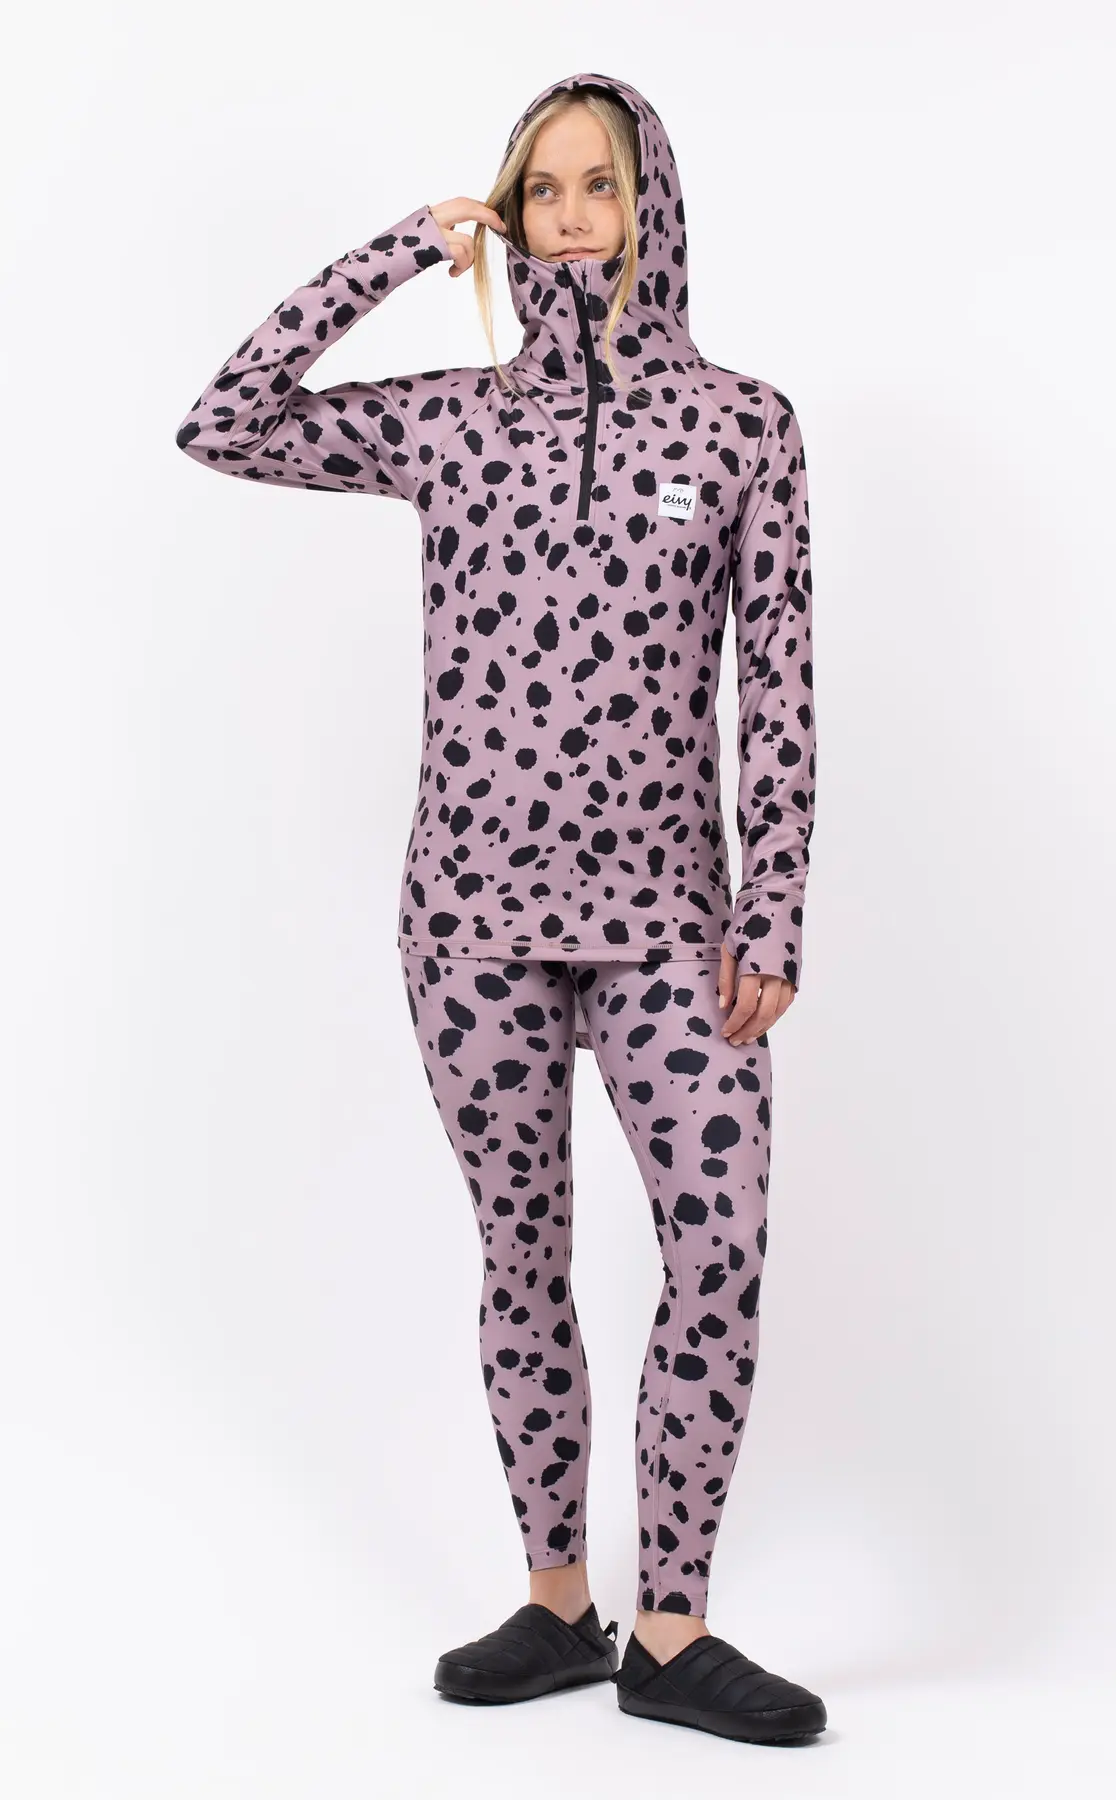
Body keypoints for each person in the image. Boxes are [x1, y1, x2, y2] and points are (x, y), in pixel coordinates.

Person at [176, 68, 824, 1746]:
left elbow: (780, 683)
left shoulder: (743, 424)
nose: (573, 218)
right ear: (513, 213)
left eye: (602, 185)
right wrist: (404, 249)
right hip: (470, 921)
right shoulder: (453, 421)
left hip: (672, 926)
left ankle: (672, 1631)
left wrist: (774, 910)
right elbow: (225, 419)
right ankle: (558, 1607)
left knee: (720, 1247)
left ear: (651, 202)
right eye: (543, 189)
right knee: (520, 1257)